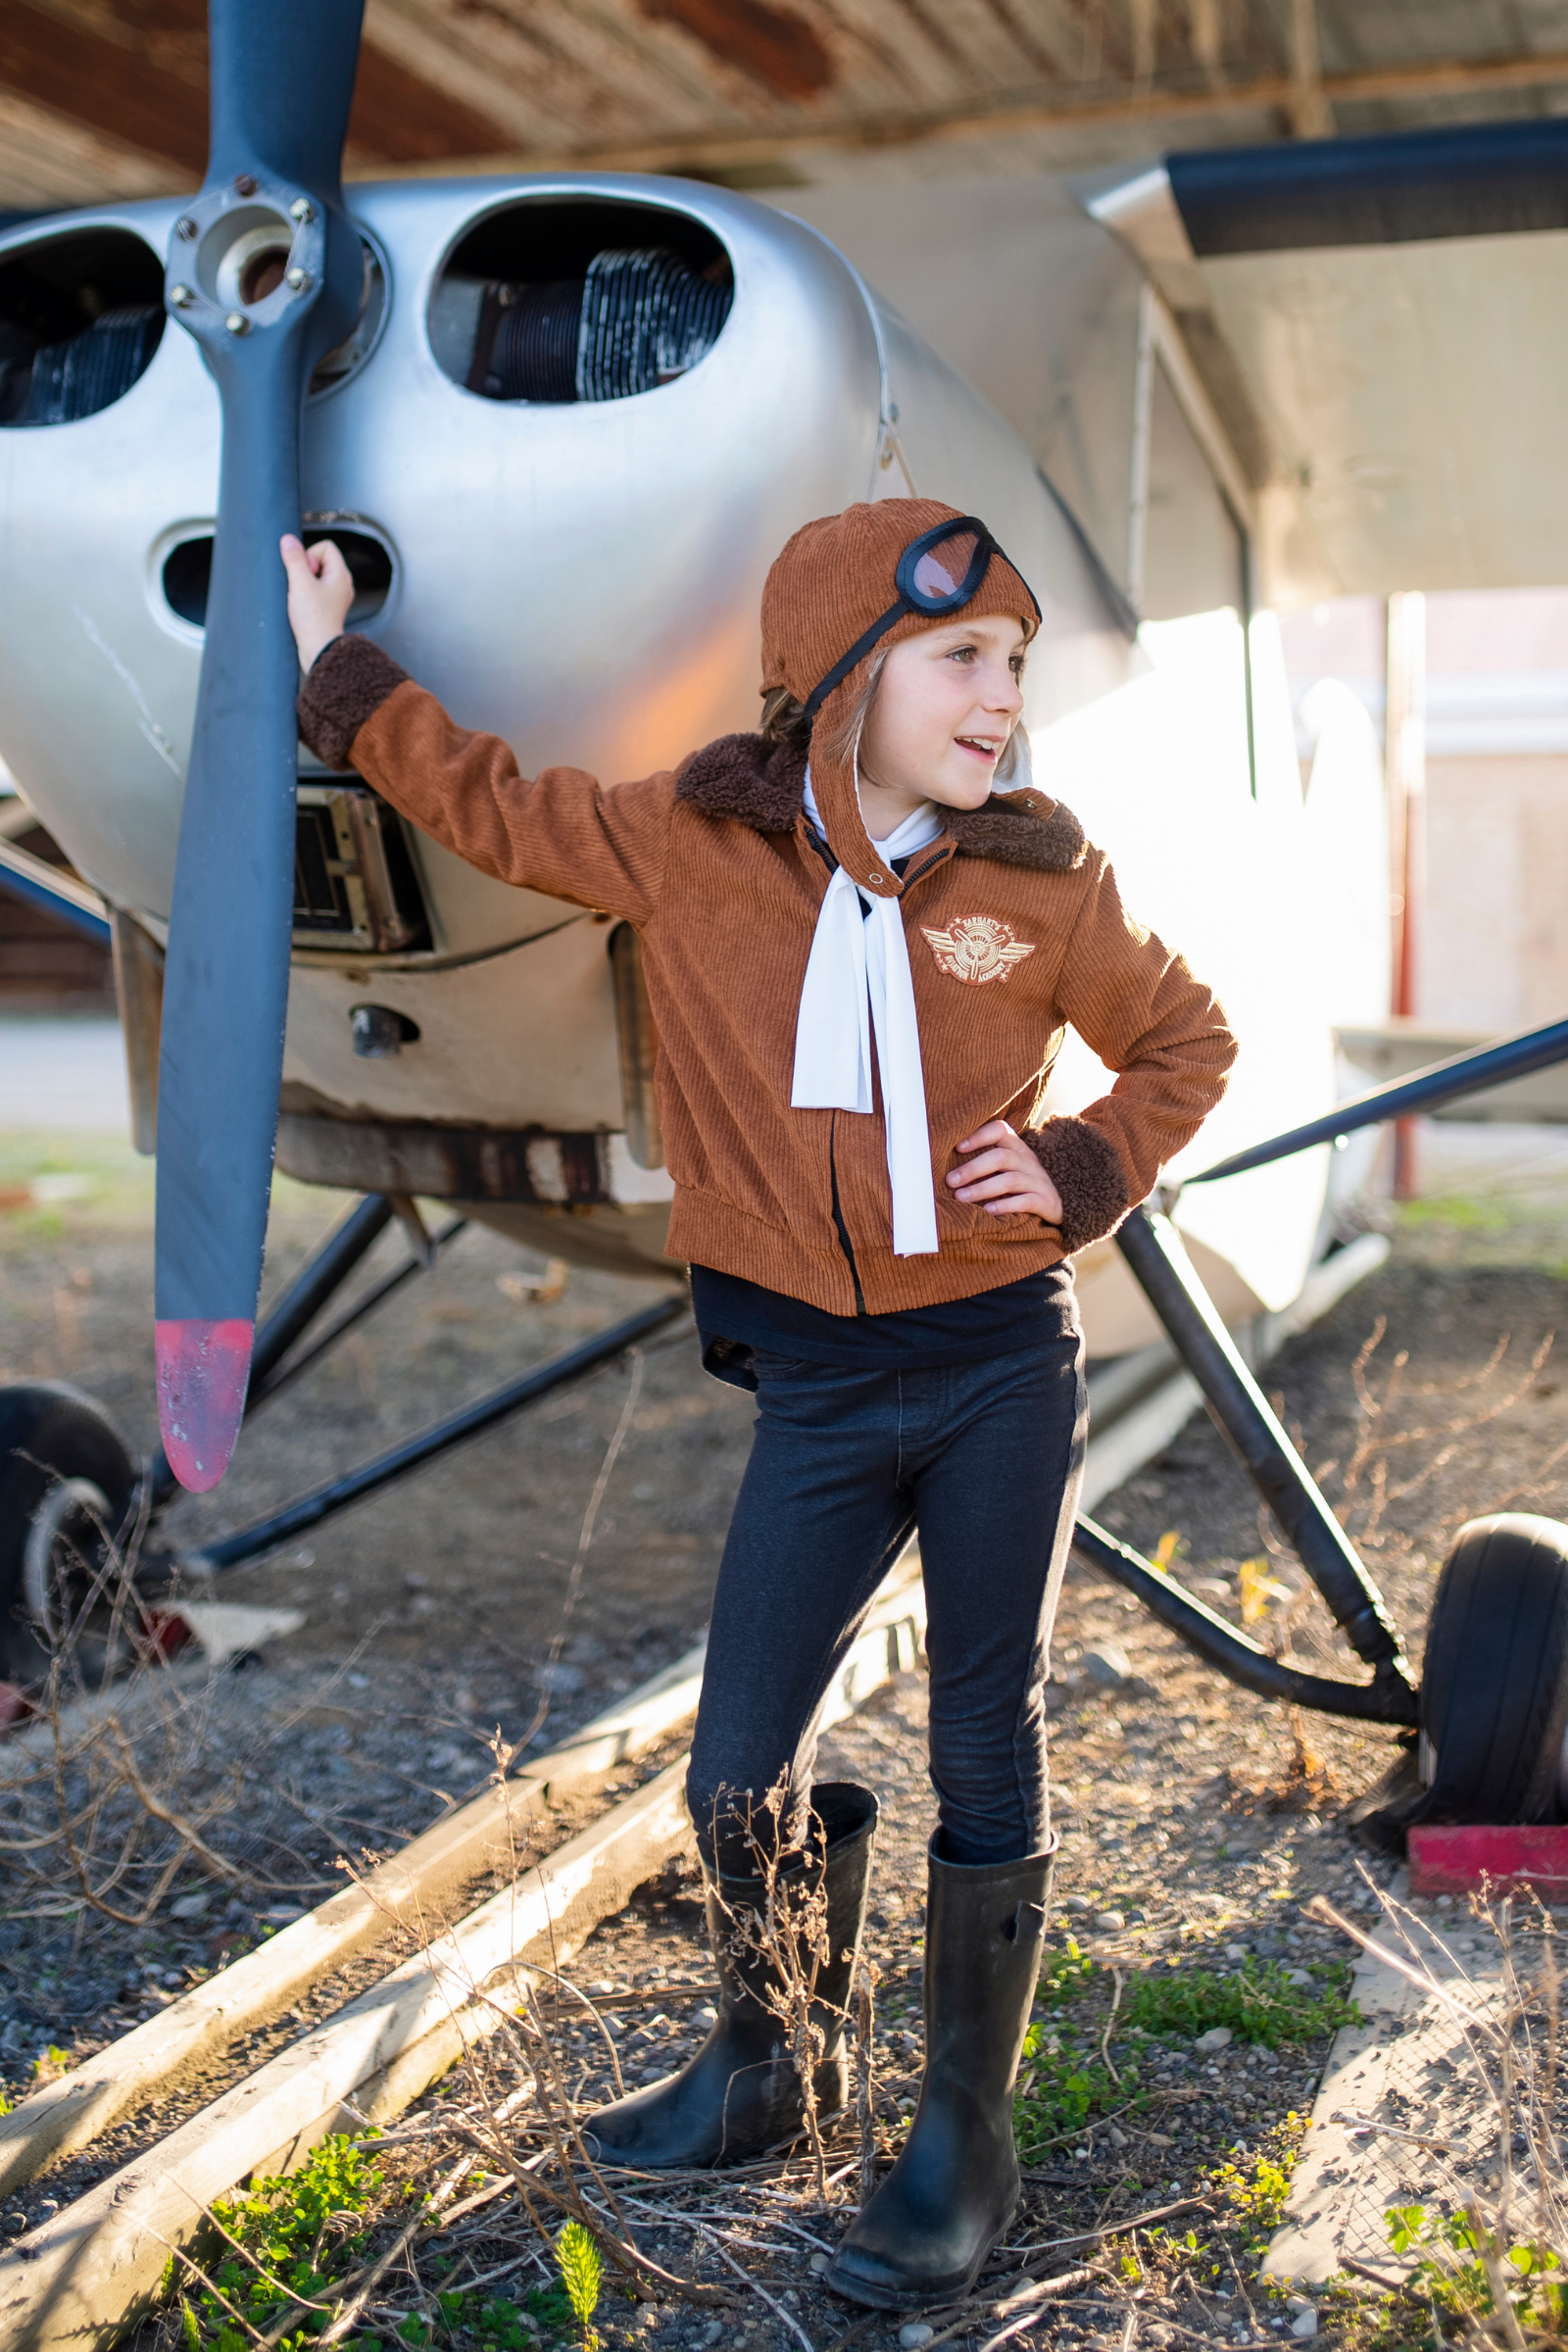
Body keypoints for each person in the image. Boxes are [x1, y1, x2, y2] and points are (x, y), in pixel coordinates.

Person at [282, 500, 1237, 2311]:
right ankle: (773, 2058)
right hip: (816, 1387)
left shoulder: (1046, 882)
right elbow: (494, 806)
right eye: (961, 658)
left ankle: (962, 2133)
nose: (1001, 696)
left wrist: (1083, 1163)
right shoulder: (692, 841)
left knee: (984, 1741)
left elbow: (1188, 1040)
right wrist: (339, 669)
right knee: (735, 1775)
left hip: (996, 1364)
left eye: (1015, 663)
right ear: (846, 674)